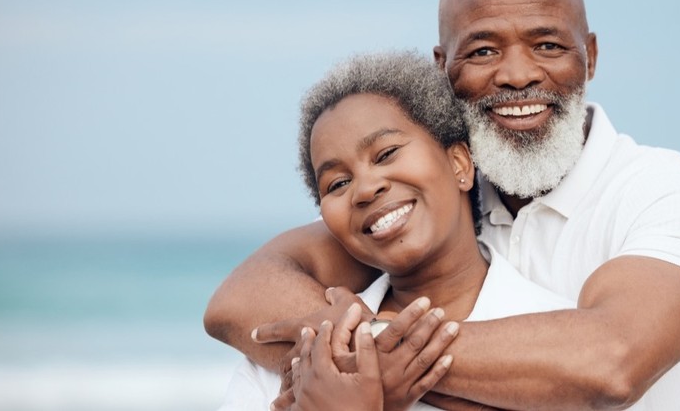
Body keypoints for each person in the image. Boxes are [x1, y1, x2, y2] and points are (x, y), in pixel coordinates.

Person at [206, 0, 680, 410]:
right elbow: (244, 297)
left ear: (590, 56)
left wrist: (366, 354)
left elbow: (613, 364)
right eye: (482, 51)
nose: (517, 74)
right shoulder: (428, 203)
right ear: (443, 68)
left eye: (547, 45)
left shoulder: (668, 194)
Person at [218, 50, 573, 410]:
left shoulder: (556, 342)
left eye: (386, 154)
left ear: (460, 164)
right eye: (338, 183)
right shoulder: (298, 358)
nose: (365, 189)